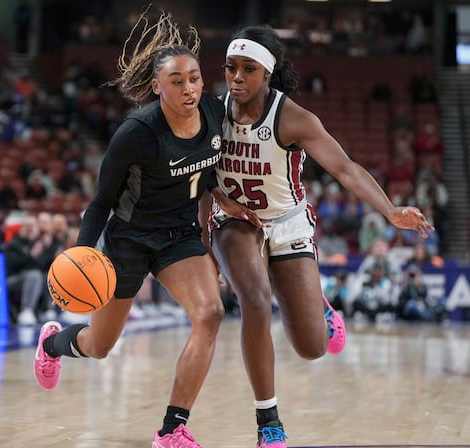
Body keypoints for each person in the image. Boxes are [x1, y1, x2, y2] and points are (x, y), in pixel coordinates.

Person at [207, 25, 435, 448]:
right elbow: (199, 176)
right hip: (236, 219)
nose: (236, 77)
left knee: (312, 347)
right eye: (230, 68)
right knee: (254, 300)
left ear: (268, 74)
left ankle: (321, 308)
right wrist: (211, 228)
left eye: (248, 69)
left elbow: (346, 169)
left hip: (289, 221)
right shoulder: (211, 111)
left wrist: (390, 210)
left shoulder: (294, 118)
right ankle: (268, 422)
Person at [32, 9, 225, 448]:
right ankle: (52, 344)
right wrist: (83, 252)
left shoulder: (214, 114)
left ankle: (172, 429)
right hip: (130, 240)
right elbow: (101, 202)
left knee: (210, 314)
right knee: (99, 347)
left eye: (194, 77)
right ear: (157, 86)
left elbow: (210, 175)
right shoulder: (136, 133)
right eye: (176, 80)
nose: (189, 87)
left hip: (180, 237)